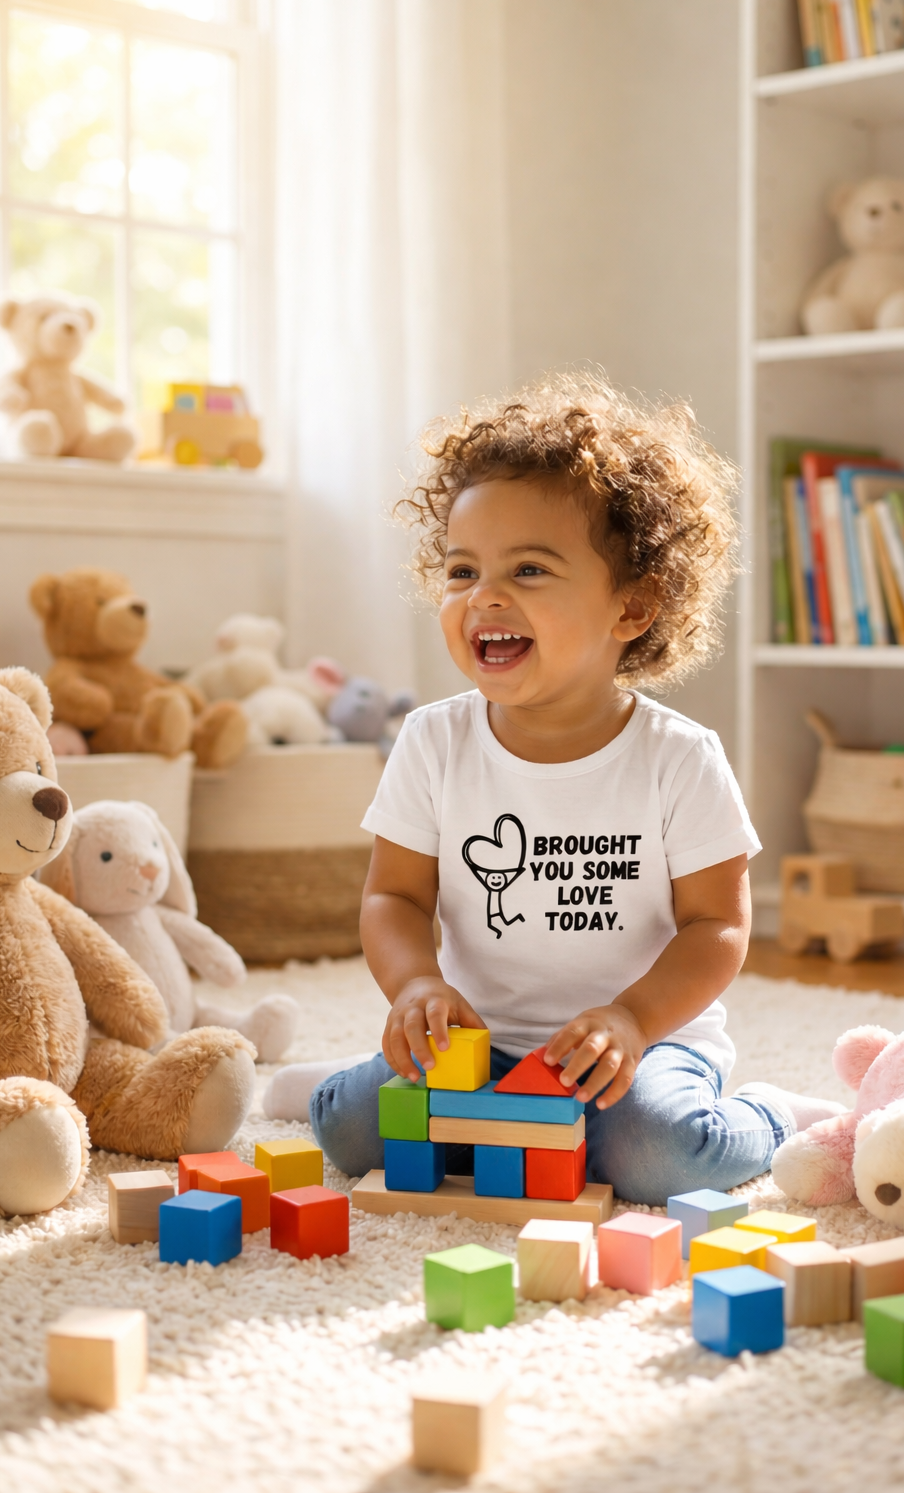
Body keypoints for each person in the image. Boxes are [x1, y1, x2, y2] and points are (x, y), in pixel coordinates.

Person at [275, 375, 844, 1205]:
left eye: (530, 569)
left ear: (633, 607)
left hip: (640, 1043)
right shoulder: (432, 741)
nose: (485, 597)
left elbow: (717, 925)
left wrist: (634, 1019)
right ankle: (336, 1081)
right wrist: (416, 987)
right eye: (462, 570)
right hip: (483, 1042)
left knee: (653, 1157)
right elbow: (393, 898)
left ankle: (768, 1113)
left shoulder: (679, 758)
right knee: (357, 1133)